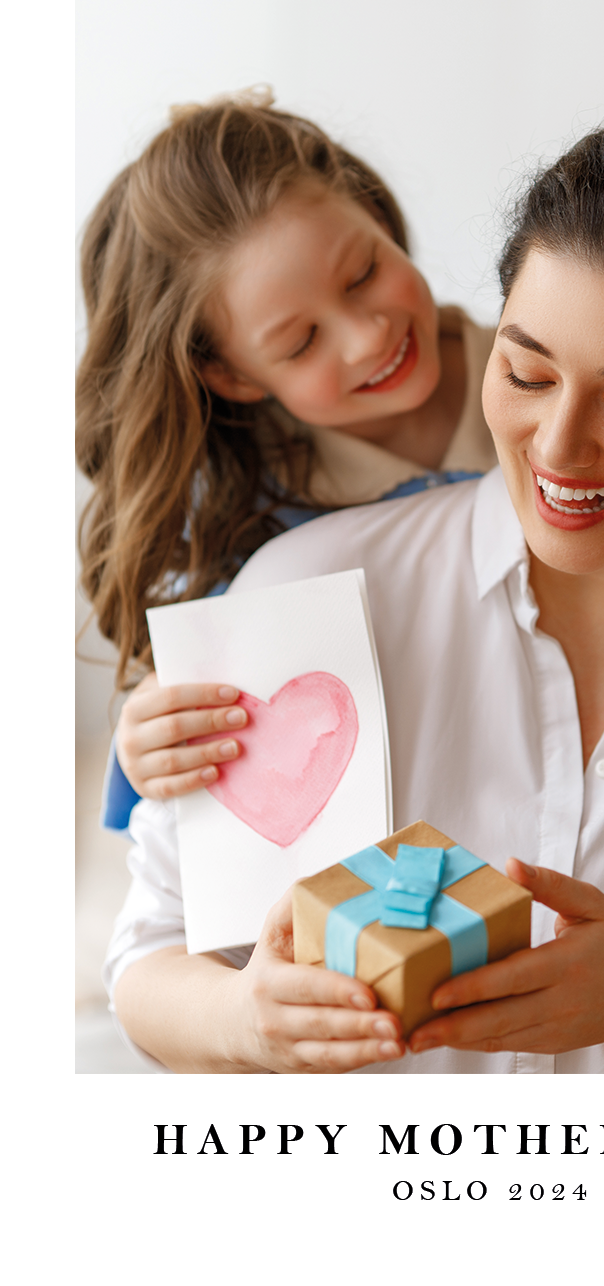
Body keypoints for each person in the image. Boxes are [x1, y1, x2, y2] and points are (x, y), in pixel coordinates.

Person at [104, 117, 604, 1075]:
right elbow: (148, 959)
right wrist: (245, 1019)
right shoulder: (298, 592)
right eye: (525, 373)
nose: (559, 447)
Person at [76, 89, 497, 832]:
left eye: (364, 272)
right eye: (301, 343)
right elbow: (193, 765)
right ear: (234, 378)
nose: (367, 337)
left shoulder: (559, 386)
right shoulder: (246, 528)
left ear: (373, 211)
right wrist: (148, 739)